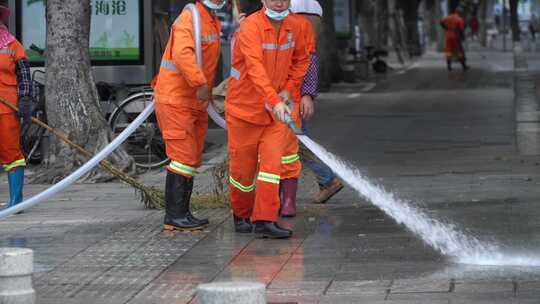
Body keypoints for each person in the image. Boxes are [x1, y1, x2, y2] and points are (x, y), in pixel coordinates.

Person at [225, 0, 309, 239]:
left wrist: (289, 90)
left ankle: (265, 219)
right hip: (245, 110)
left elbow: (302, 60)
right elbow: (255, 68)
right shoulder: (250, 28)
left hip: (274, 113)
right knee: (243, 171)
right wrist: (275, 100)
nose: (280, 2)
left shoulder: (298, 25)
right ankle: (241, 214)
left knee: (272, 166)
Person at [154, 0, 225, 231]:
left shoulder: (210, 20)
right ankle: (174, 215)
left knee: (191, 158)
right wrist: (200, 83)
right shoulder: (190, 18)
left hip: (193, 100)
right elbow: (183, 54)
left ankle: (182, 213)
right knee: (183, 157)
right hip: (178, 100)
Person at [280, 0, 343, 219]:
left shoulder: (295, 14)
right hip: (287, 96)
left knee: (298, 142)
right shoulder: (312, 8)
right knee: (295, 141)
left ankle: (328, 180)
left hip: (291, 97)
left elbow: (307, 61)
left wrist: (307, 94)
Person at [0, 4, 32, 212]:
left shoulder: (12, 44)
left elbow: (24, 76)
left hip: (7, 106)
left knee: (11, 152)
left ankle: (16, 201)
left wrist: (25, 100)